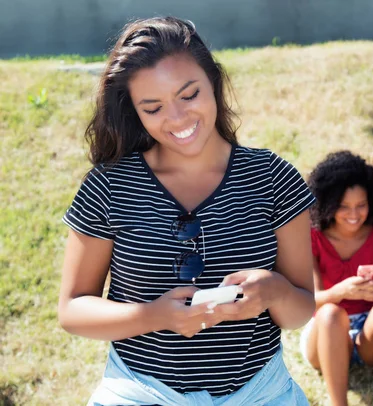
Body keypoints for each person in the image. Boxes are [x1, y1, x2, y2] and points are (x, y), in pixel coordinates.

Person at [58, 16, 316, 406]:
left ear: (213, 82)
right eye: (153, 107)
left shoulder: (272, 178)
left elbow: (300, 311)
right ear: (135, 112)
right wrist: (155, 316)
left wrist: (274, 292)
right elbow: (73, 310)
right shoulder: (108, 186)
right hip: (140, 392)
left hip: (260, 393)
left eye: (189, 95)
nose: (177, 118)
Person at [300, 151, 373, 406]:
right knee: (329, 313)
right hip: (325, 332)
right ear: (327, 203)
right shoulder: (313, 238)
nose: (354, 214)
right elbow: (309, 301)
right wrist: (341, 292)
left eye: (361, 205)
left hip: (370, 335)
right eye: (344, 206)